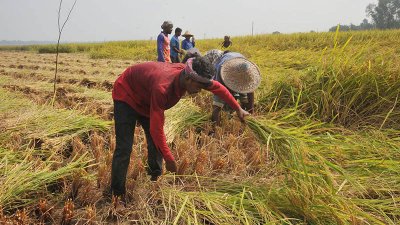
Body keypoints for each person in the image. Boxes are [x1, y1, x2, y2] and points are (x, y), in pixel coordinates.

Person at [111, 56, 249, 197]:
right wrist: (169, 158)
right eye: (199, 87)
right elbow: (156, 129)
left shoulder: (191, 75)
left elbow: (218, 88)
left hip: (147, 97)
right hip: (127, 94)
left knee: (155, 143)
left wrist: (238, 108)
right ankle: (116, 193)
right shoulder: (163, 88)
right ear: (189, 79)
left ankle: (155, 177)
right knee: (124, 148)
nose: (200, 91)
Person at [204, 50, 261, 126]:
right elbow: (217, 103)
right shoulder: (222, 72)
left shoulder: (247, 72)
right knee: (223, 99)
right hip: (226, 64)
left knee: (244, 98)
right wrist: (214, 127)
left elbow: (250, 93)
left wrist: (250, 116)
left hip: (239, 60)